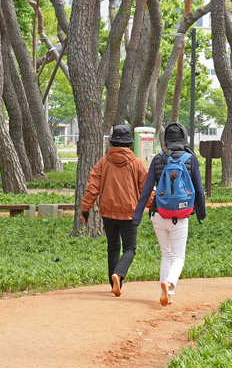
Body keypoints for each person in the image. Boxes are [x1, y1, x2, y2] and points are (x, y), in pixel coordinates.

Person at [133, 123, 206, 306]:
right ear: (184, 137)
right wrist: (201, 213)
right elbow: (199, 190)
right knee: (179, 256)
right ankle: (170, 284)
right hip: (180, 215)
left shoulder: (158, 159)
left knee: (166, 255)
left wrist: (138, 214)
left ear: (166, 139)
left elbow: (147, 188)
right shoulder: (190, 159)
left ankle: (164, 294)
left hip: (158, 213)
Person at [80, 125, 151, 297]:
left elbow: (92, 188)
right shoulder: (137, 164)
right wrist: (151, 206)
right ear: (129, 144)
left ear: (112, 142)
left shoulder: (103, 163)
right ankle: (118, 275)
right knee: (130, 248)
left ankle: (114, 284)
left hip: (108, 212)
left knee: (113, 247)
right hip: (130, 213)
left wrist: (85, 209)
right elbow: (146, 189)